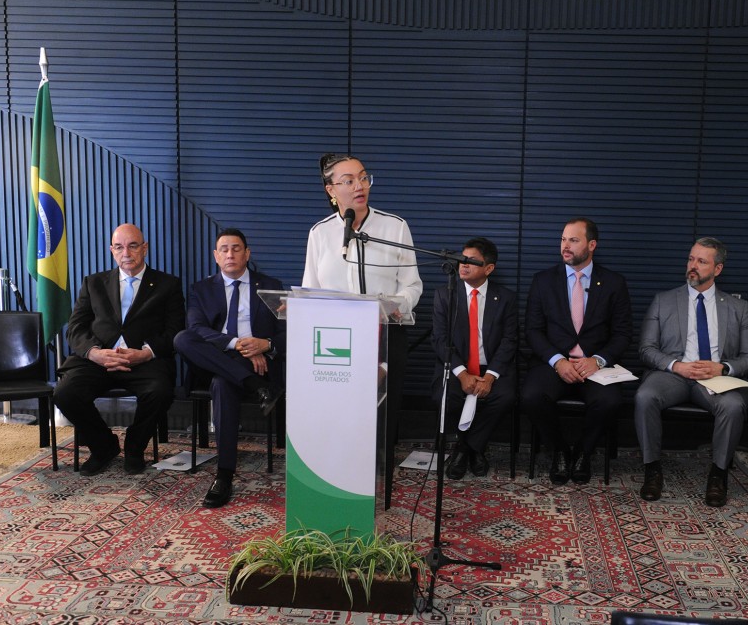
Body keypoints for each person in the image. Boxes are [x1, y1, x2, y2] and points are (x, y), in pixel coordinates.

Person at [302, 153, 423, 502]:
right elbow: (310, 288)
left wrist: (395, 305)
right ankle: (336, 486)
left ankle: (376, 490)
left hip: (386, 336)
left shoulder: (394, 227)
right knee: (340, 421)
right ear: (331, 190)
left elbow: (413, 285)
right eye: (349, 180)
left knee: (380, 419)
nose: (360, 185)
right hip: (336, 343)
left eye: (364, 177)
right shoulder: (320, 233)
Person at [634, 237, 748, 507]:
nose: (693, 265)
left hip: (715, 378)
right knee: (645, 396)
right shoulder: (663, 301)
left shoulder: (737, 308)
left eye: (702, 261)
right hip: (673, 375)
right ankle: (652, 469)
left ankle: (718, 475)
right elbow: (646, 348)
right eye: (691, 259)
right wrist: (676, 365)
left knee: (733, 405)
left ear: (717, 269)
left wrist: (722, 367)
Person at [54, 223, 185, 476]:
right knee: (65, 393)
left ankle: (135, 449)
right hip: (99, 359)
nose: (126, 253)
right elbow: (75, 328)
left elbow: (176, 330)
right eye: (119, 247)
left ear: (145, 248)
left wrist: (145, 353)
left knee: (160, 392)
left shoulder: (167, 285)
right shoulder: (94, 283)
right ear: (112, 250)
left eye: (133, 246)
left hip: (144, 361)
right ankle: (103, 447)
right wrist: (95, 353)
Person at [174, 228, 285, 508]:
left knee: (223, 384)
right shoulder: (201, 289)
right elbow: (197, 329)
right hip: (217, 357)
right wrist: (237, 344)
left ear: (247, 254)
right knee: (183, 338)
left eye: (236, 248)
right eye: (224, 249)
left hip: (254, 362)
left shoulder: (270, 286)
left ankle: (224, 475)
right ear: (216, 255)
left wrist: (264, 344)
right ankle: (256, 387)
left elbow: (288, 331)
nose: (230, 254)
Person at [521, 218, 633, 485]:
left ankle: (584, 451)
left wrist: (598, 360)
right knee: (531, 396)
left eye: (573, 240)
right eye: (563, 239)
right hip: (554, 364)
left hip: (594, 367)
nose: (565, 246)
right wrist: (558, 361)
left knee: (610, 401)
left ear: (592, 245)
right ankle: (559, 451)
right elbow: (533, 331)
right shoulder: (543, 281)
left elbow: (623, 334)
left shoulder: (614, 283)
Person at [431, 238, 517, 479]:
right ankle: (474, 449)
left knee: (505, 397)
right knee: (444, 397)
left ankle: (465, 448)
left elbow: (509, 340)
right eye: (462, 259)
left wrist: (489, 377)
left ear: (489, 268)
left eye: (471, 261)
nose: (463, 264)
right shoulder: (445, 295)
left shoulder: (506, 298)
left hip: (491, 367)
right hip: (456, 366)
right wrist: (462, 374)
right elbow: (439, 339)